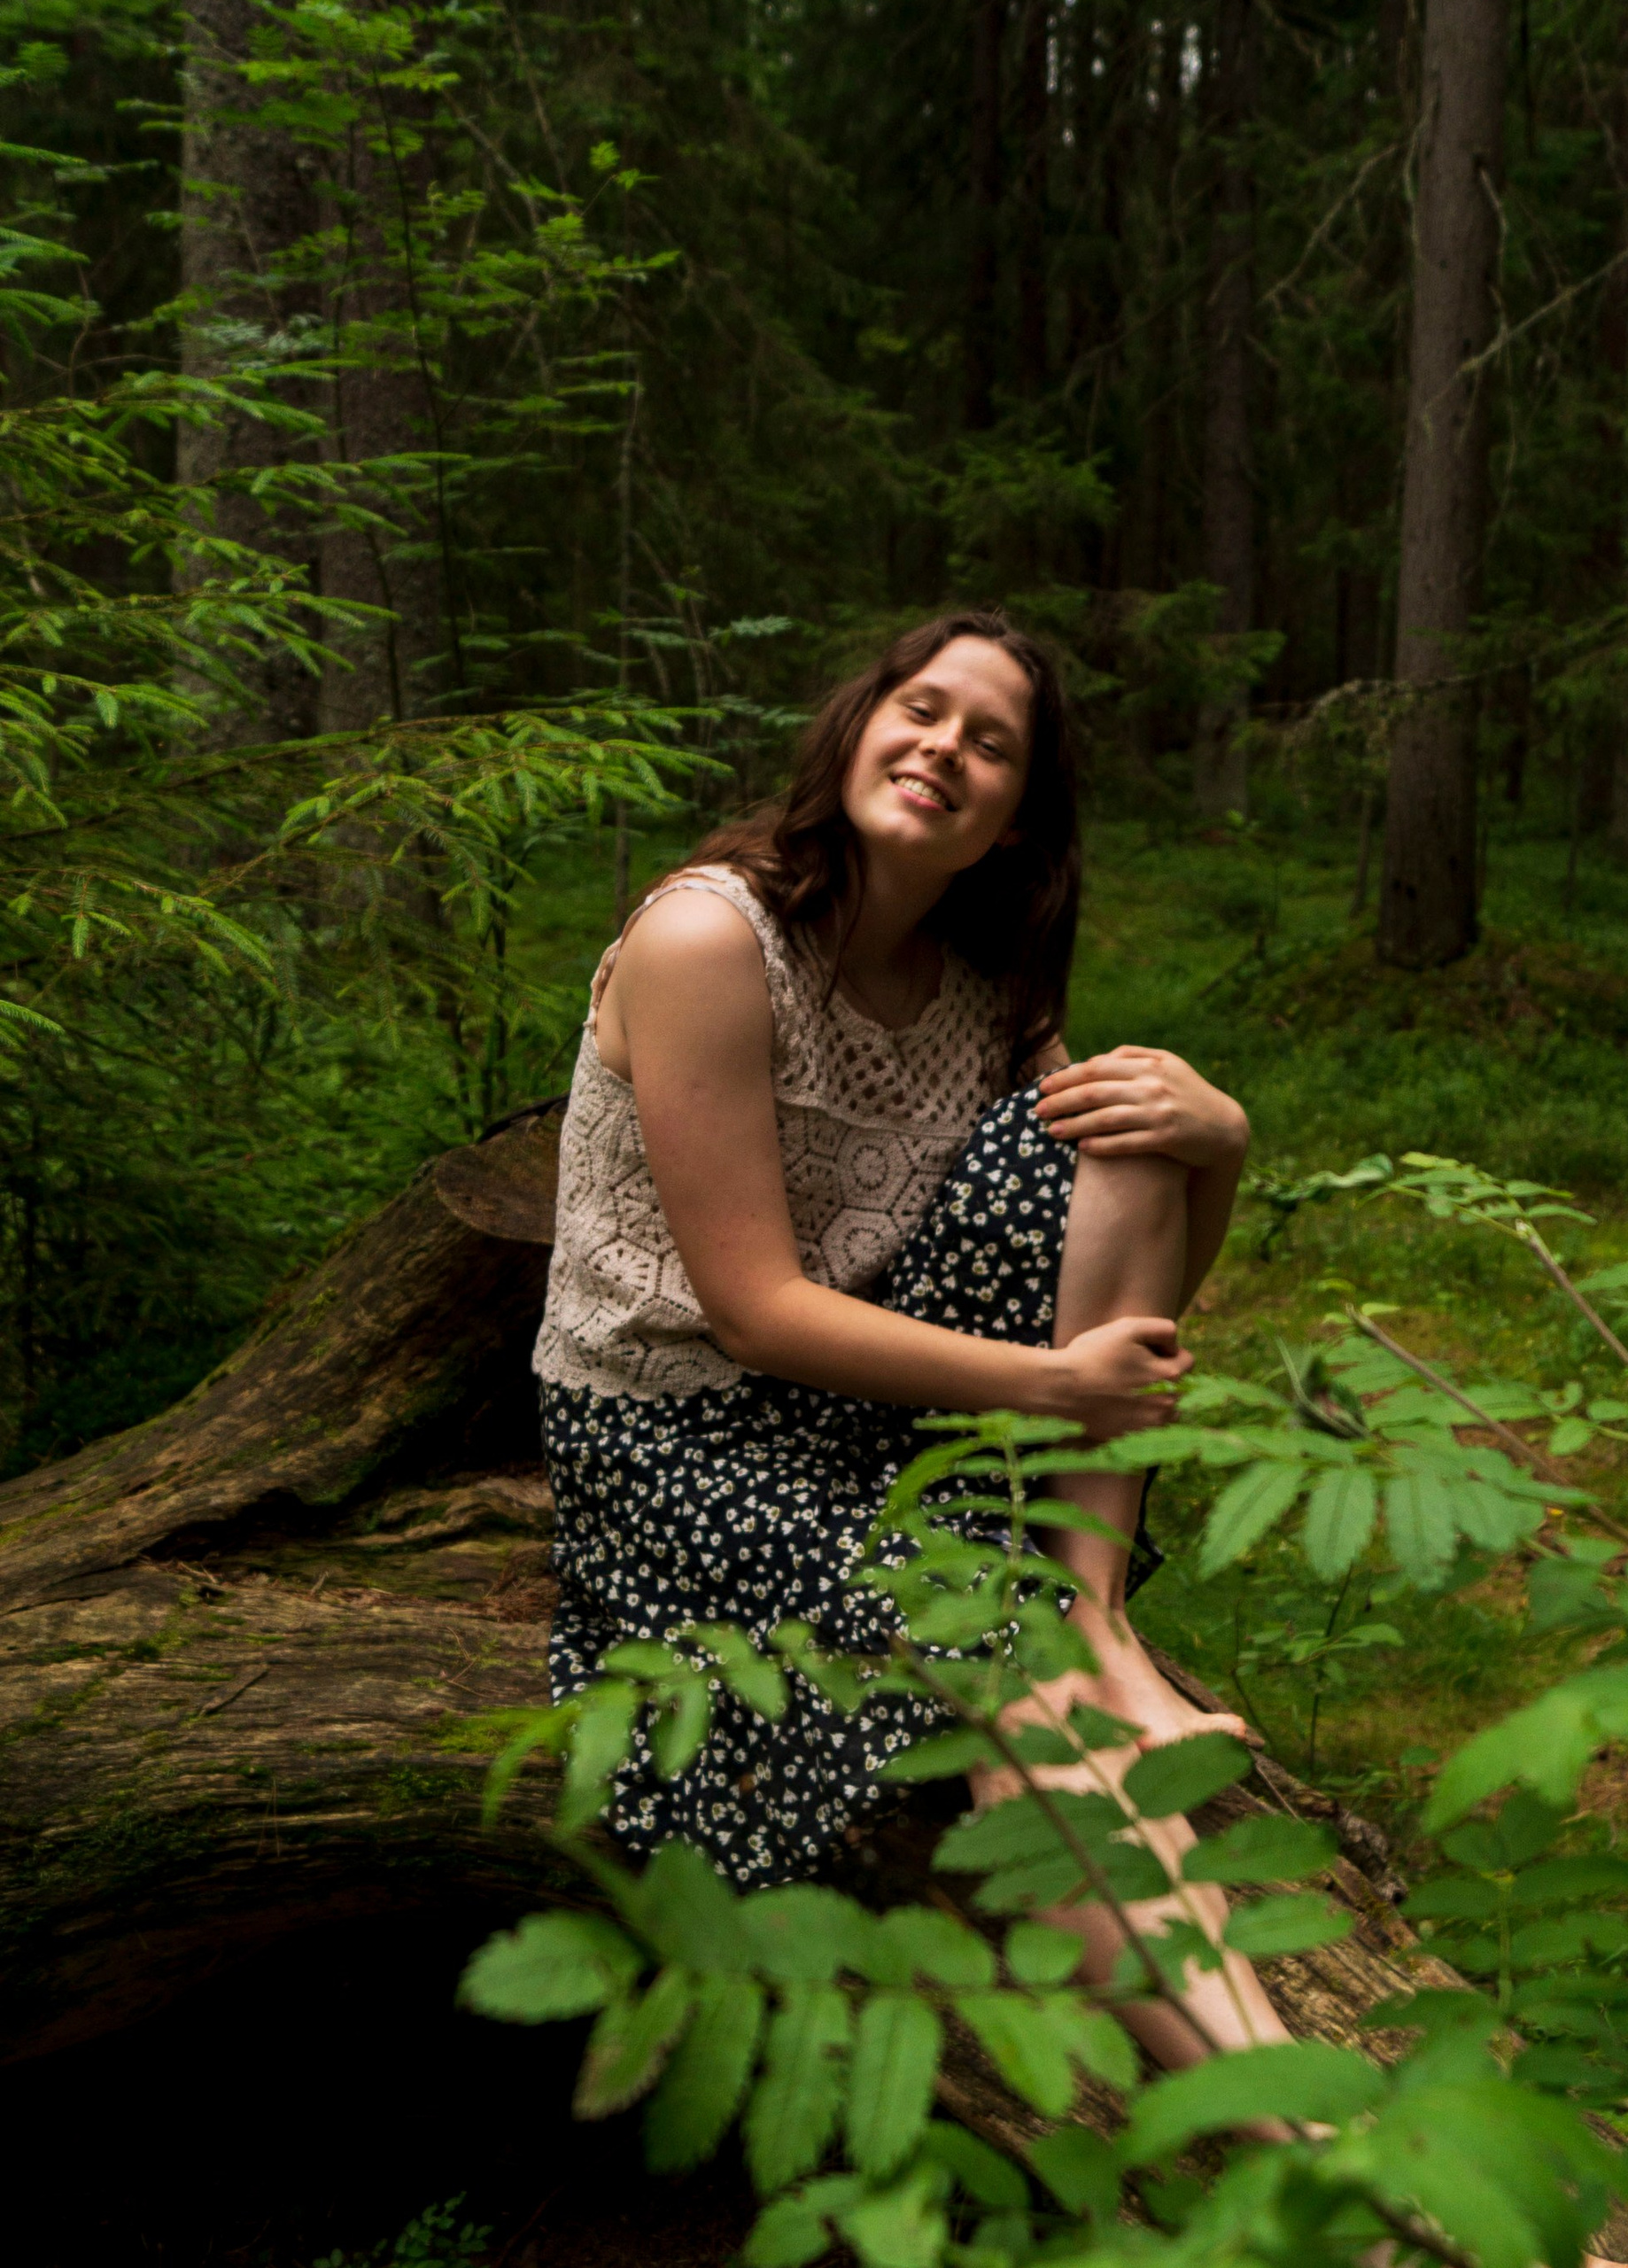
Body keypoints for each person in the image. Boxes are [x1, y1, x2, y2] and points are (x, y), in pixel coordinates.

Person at [533, 609, 1292, 2071]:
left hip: (869, 1399)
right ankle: (1294, 2125)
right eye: (923, 709)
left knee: (1130, 1118)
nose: (944, 747)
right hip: (677, 1429)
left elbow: (1119, 1271)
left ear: (1016, 821)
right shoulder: (708, 937)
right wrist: (1052, 1387)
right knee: (1004, 1669)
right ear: (858, 727)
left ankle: (1098, 1614)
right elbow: (753, 1313)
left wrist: (1225, 1144)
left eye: (991, 744)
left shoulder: (986, 982)